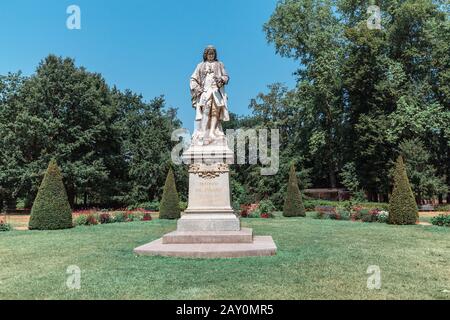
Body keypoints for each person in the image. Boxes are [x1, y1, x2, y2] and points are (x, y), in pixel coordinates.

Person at [190, 45, 230, 144]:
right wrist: (197, 89)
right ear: (206, 54)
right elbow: (193, 79)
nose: (211, 55)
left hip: (216, 91)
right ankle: (203, 132)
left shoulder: (220, 64)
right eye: (209, 53)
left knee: (215, 110)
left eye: (212, 53)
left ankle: (212, 131)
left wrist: (222, 79)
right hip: (205, 90)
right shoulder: (200, 65)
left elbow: (226, 76)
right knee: (206, 110)